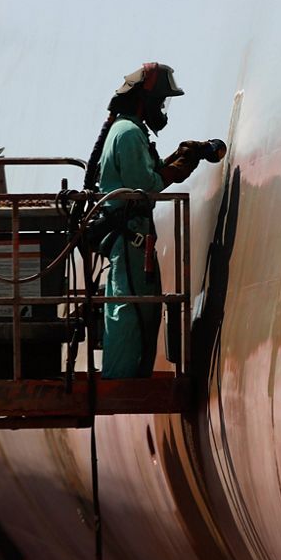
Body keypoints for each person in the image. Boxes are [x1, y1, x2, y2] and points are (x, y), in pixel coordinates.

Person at [83, 63, 202, 378]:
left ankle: (125, 373)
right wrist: (177, 168)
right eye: (160, 99)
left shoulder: (124, 130)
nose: (162, 107)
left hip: (130, 238)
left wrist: (174, 161)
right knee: (130, 307)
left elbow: (144, 176)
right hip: (130, 236)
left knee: (135, 305)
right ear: (143, 99)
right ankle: (122, 378)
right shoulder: (130, 132)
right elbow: (144, 186)